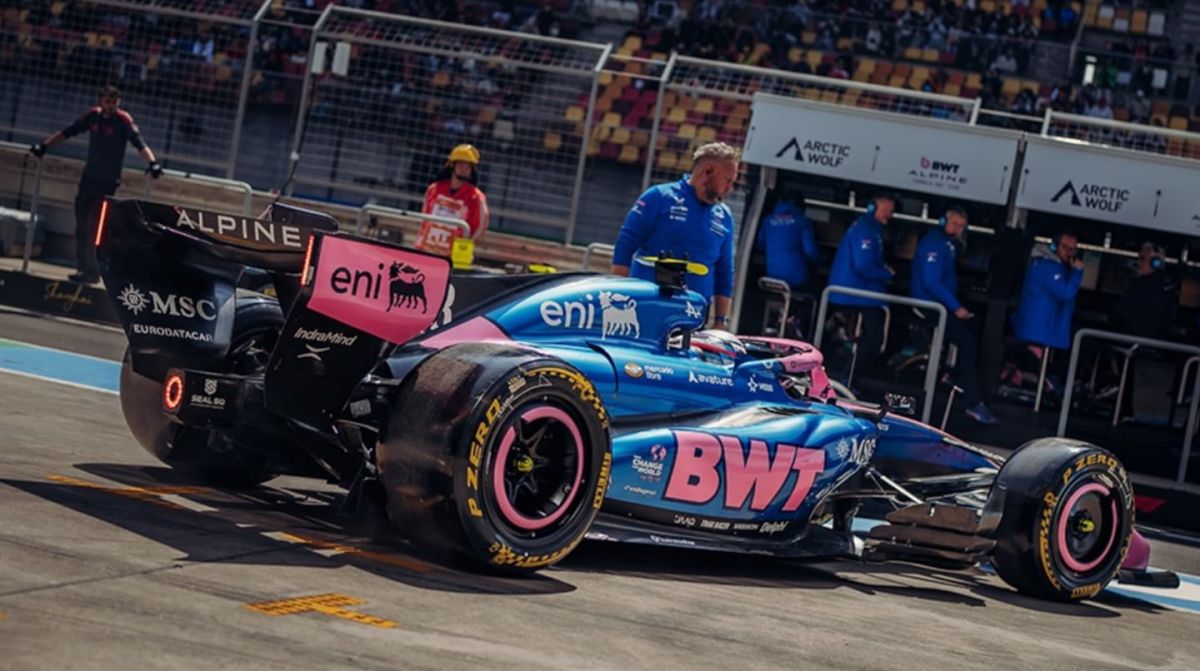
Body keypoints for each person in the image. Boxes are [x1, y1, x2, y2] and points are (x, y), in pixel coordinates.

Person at [29, 85, 161, 284]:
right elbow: (68, 132)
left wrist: (153, 163)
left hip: (107, 182)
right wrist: (44, 146)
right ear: (101, 101)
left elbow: (139, 143)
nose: (111, 105)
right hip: (89, 178)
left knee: (95, 227)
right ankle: (83, 269)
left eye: (114, 101)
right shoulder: (93, 116)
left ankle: (94, 271)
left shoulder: (123, 120)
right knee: (82, 225)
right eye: (108, 101)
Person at [612, 141, 739, 328]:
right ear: (708, 171)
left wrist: (720, 321)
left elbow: (725, 271)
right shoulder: (658, 197)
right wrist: (618, 295)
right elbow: (625, 245)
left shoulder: (724, 216)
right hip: (647, 307)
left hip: (694, 315)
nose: (730, 188)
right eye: (727, 180)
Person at [909, 206, 998, 424]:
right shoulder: (934, 243)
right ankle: (972, 403)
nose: (958, 229)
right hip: (930, 306)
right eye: (955, 223)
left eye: (962, 226)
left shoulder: (948, 244)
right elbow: (932, 283)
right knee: (967, 342)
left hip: (942, 304)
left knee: (974, 330)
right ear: (943, 221)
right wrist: (956, 307)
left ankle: (953, 375)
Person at [827, 193, 896, 379]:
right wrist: (886, 274)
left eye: (890, 211)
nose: (889, 215)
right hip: (854, 294)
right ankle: (847, 379)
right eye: (886, 210)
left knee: (874, 334)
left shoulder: (870, 228)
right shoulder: (866, 230)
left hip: (855, 293)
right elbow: (863, 266)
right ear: (872, 207)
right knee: (875, 338)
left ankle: (850, 377)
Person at [1009, 230, 1084, 397]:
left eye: (1073, 249)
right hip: (1040, 329)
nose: (1069, 253)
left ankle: (1047, 378)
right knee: (1082, 343)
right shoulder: (1048, 266)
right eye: (1065, 247)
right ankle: (1052, 381)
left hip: (1041, 325)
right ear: (1054, 246)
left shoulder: (1048, 263)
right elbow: (1065, 293)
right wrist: (1078, 271)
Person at [417, 143, 489, 256]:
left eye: (468, 166)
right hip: (427, 249)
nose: (464, 169)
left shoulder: (476, 197)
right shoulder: (434, 189)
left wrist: (463, 248)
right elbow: (425, 218)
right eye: (461, 164)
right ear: (452, 165)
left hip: (453, 256)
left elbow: (480, 226)